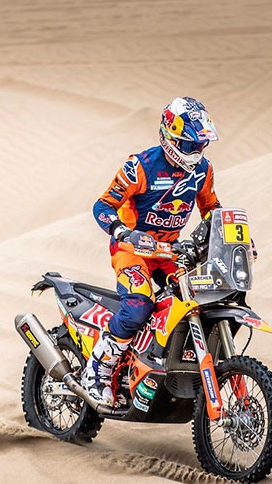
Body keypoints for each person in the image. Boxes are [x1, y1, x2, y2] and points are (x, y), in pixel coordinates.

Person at [81, 96, 221, 406]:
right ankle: (97, 370)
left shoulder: (203, 171)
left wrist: (234, 237)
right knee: (139, 306)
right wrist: (121, 231)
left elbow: (212, 209)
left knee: (198, 300)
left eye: (201, 144)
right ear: (171, 139)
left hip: (169, 253)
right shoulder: (140, 167)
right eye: (190, 145)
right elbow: (102, 206)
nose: (197, 151)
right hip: (132, 250)